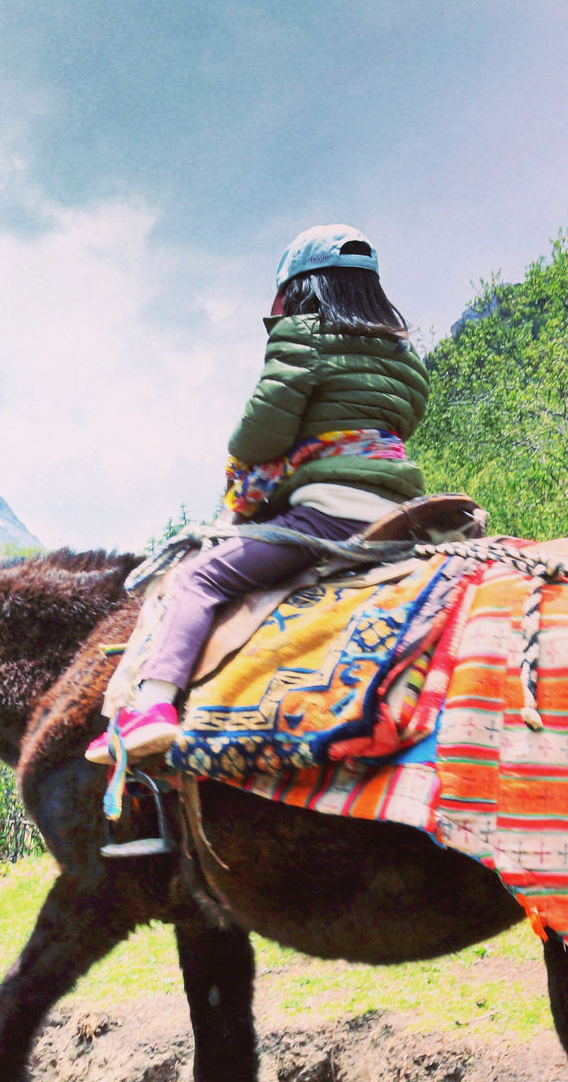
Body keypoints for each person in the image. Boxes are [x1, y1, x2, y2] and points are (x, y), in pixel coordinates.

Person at [102, 223, 430, 757]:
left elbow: (259, 437)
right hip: (399, 513)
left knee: (196, 579)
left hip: (328, 514)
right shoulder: (404, 356)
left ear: (300, 289)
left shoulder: (302, 335)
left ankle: (153, 707)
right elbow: (404, 422)